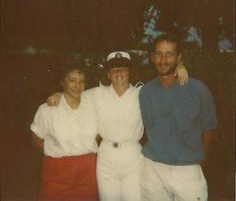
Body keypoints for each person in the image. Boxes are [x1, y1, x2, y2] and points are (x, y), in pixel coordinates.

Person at [47, 50, 188, 201]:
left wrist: (178, 68)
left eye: (123, 69)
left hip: (132, 156)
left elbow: (165, 90)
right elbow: (74, 94)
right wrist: (58, 95)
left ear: (129, 72)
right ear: (109, 74)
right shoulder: (97, 94)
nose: (119, 73)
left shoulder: (142, 93)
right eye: (114, 69)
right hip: (106, 156)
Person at [139, 33, 217, 201]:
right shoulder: (146, 91)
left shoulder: (197, 89)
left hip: (187, 171)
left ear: (179, 57)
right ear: (152, 57)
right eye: (159, 54)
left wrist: (200, 163)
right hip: (153, 169)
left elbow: (209, 131)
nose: (163, 59)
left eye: (169, 54)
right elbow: (147, 128)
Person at [30, 62, 99, 201]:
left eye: (81, 81)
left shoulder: (93, 107)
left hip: (87, 168)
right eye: (72, 80)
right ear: (62, 82)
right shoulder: (47, 109)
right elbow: (35, 138)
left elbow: (97, 136)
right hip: (57, 169)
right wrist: (53, 150)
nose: (77, 85)